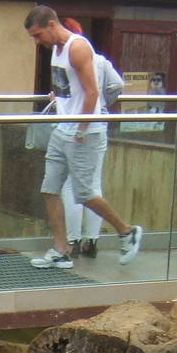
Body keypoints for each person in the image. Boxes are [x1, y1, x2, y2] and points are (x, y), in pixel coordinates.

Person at [22, 6, 144, 270]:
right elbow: (69, 87)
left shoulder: (78, 48)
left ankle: (126, 232)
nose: (37, 41)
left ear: (52, 25)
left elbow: (92, 93)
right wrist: (59, 97)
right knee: (50, 189)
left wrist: (82, 128)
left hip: (84, 133)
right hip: (61, 129)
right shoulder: (56, 50)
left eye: (38, 34)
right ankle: (61, 249)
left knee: (85, 193)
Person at [59, 18, 105, 257]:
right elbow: (115, 85)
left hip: (81, 126)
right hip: (97, 124)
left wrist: (81, 127)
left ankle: (73, 239)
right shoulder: (101, 61)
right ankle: (92, 240)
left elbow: (87, 92)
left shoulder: (74, 55)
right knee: (93, 184)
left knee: (71, 186)